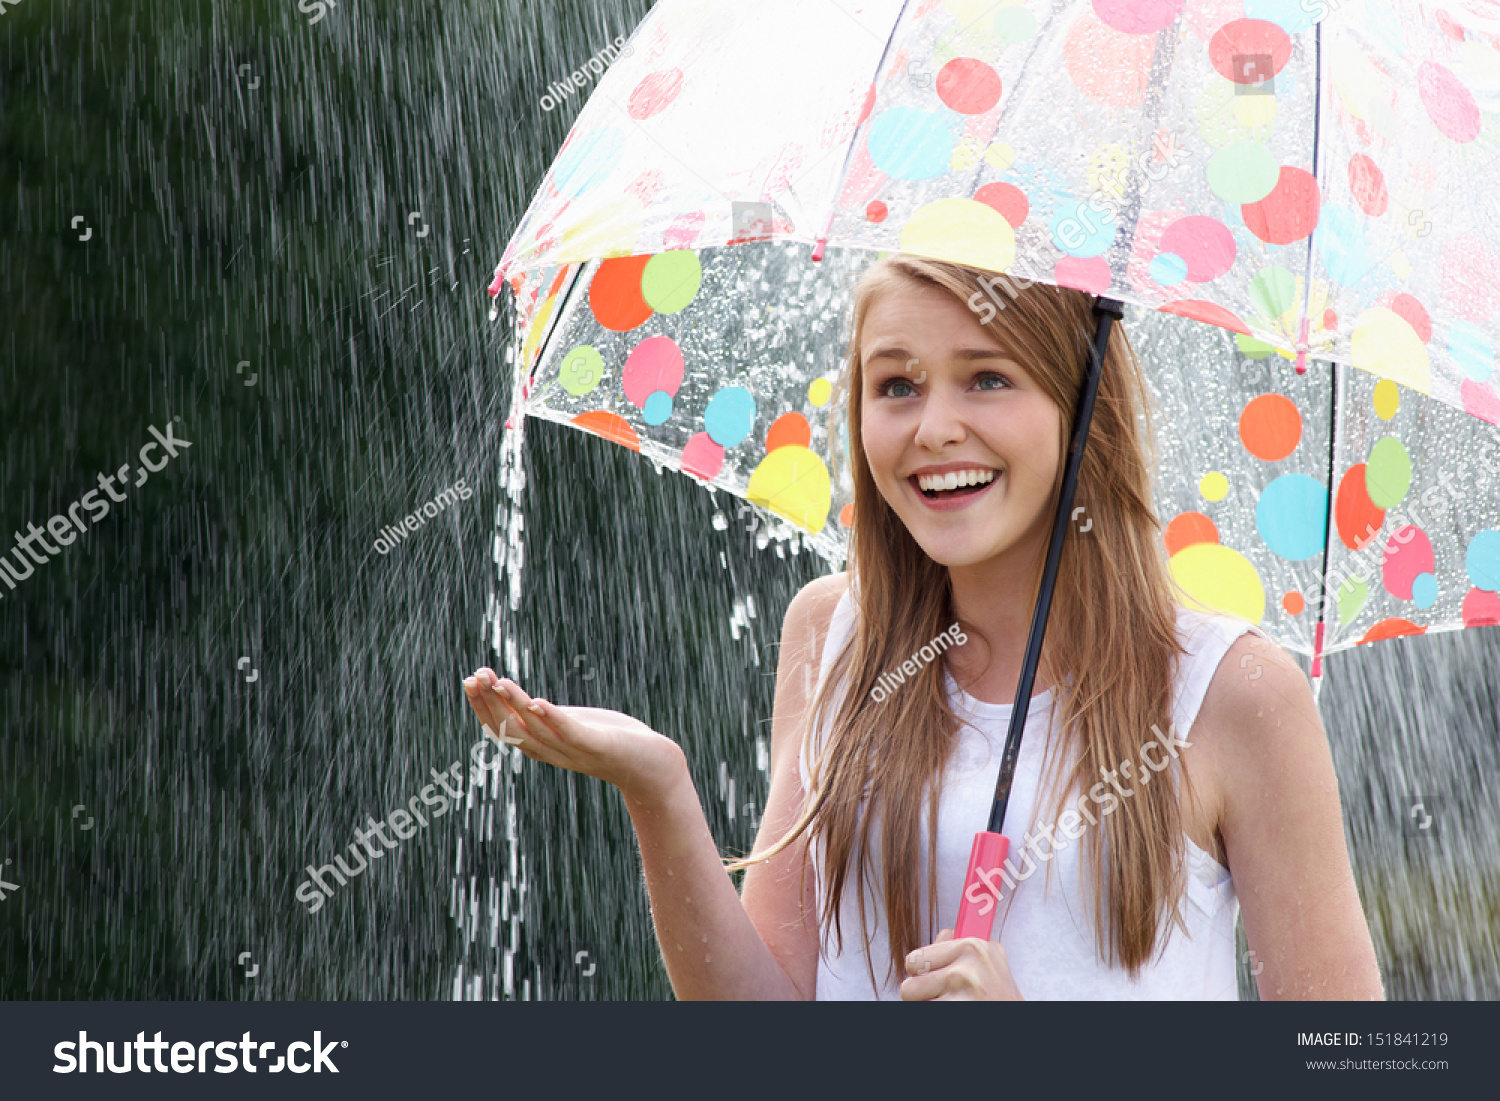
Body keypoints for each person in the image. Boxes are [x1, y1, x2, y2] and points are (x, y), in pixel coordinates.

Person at [462, 254, 1385, 1001]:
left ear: (1082, 407)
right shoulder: (831, 636)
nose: (934, 426)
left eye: (987, 377)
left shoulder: (1232, 692)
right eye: (896, 386)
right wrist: (658, 788)